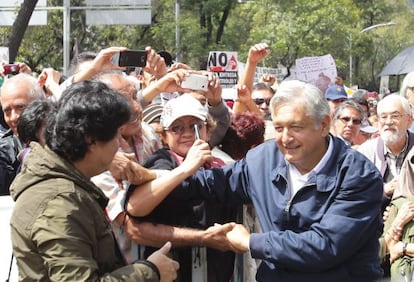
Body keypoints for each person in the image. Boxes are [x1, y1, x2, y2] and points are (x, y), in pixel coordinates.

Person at [126, 79, 384, 281]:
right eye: (279, 127)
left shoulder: (358, 175)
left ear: (324, 125)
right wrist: (152, 176)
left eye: (296, 128)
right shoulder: (263, 159)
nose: (285, 138)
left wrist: (250, 241)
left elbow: (324, 246)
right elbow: (210, 183)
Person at [9, 80, 179, 281]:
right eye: (116, 136)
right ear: (91, 140)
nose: (120, 145)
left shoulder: (65, 186)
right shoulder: (60, 203)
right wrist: (151, 271)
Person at [130, 93, 238, 282]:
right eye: (177, 128)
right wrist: (187, 168)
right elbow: (135, 206)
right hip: (173, 271)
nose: (187, 133)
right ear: (164, 136)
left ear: (208, 131)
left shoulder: (221, 164)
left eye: (195, 126)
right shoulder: (162, 162)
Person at [358, 94, 414, 209]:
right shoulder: (366, 152)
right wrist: (384, 190)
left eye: (395, 116)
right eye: (383, 117)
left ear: (409, 121)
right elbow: (356, 195)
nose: (388, 122)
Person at [0, 73, 46, 195]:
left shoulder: (64, 141)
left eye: (20, 107)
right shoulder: (4, 151)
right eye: (7, 111)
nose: (14, 117)